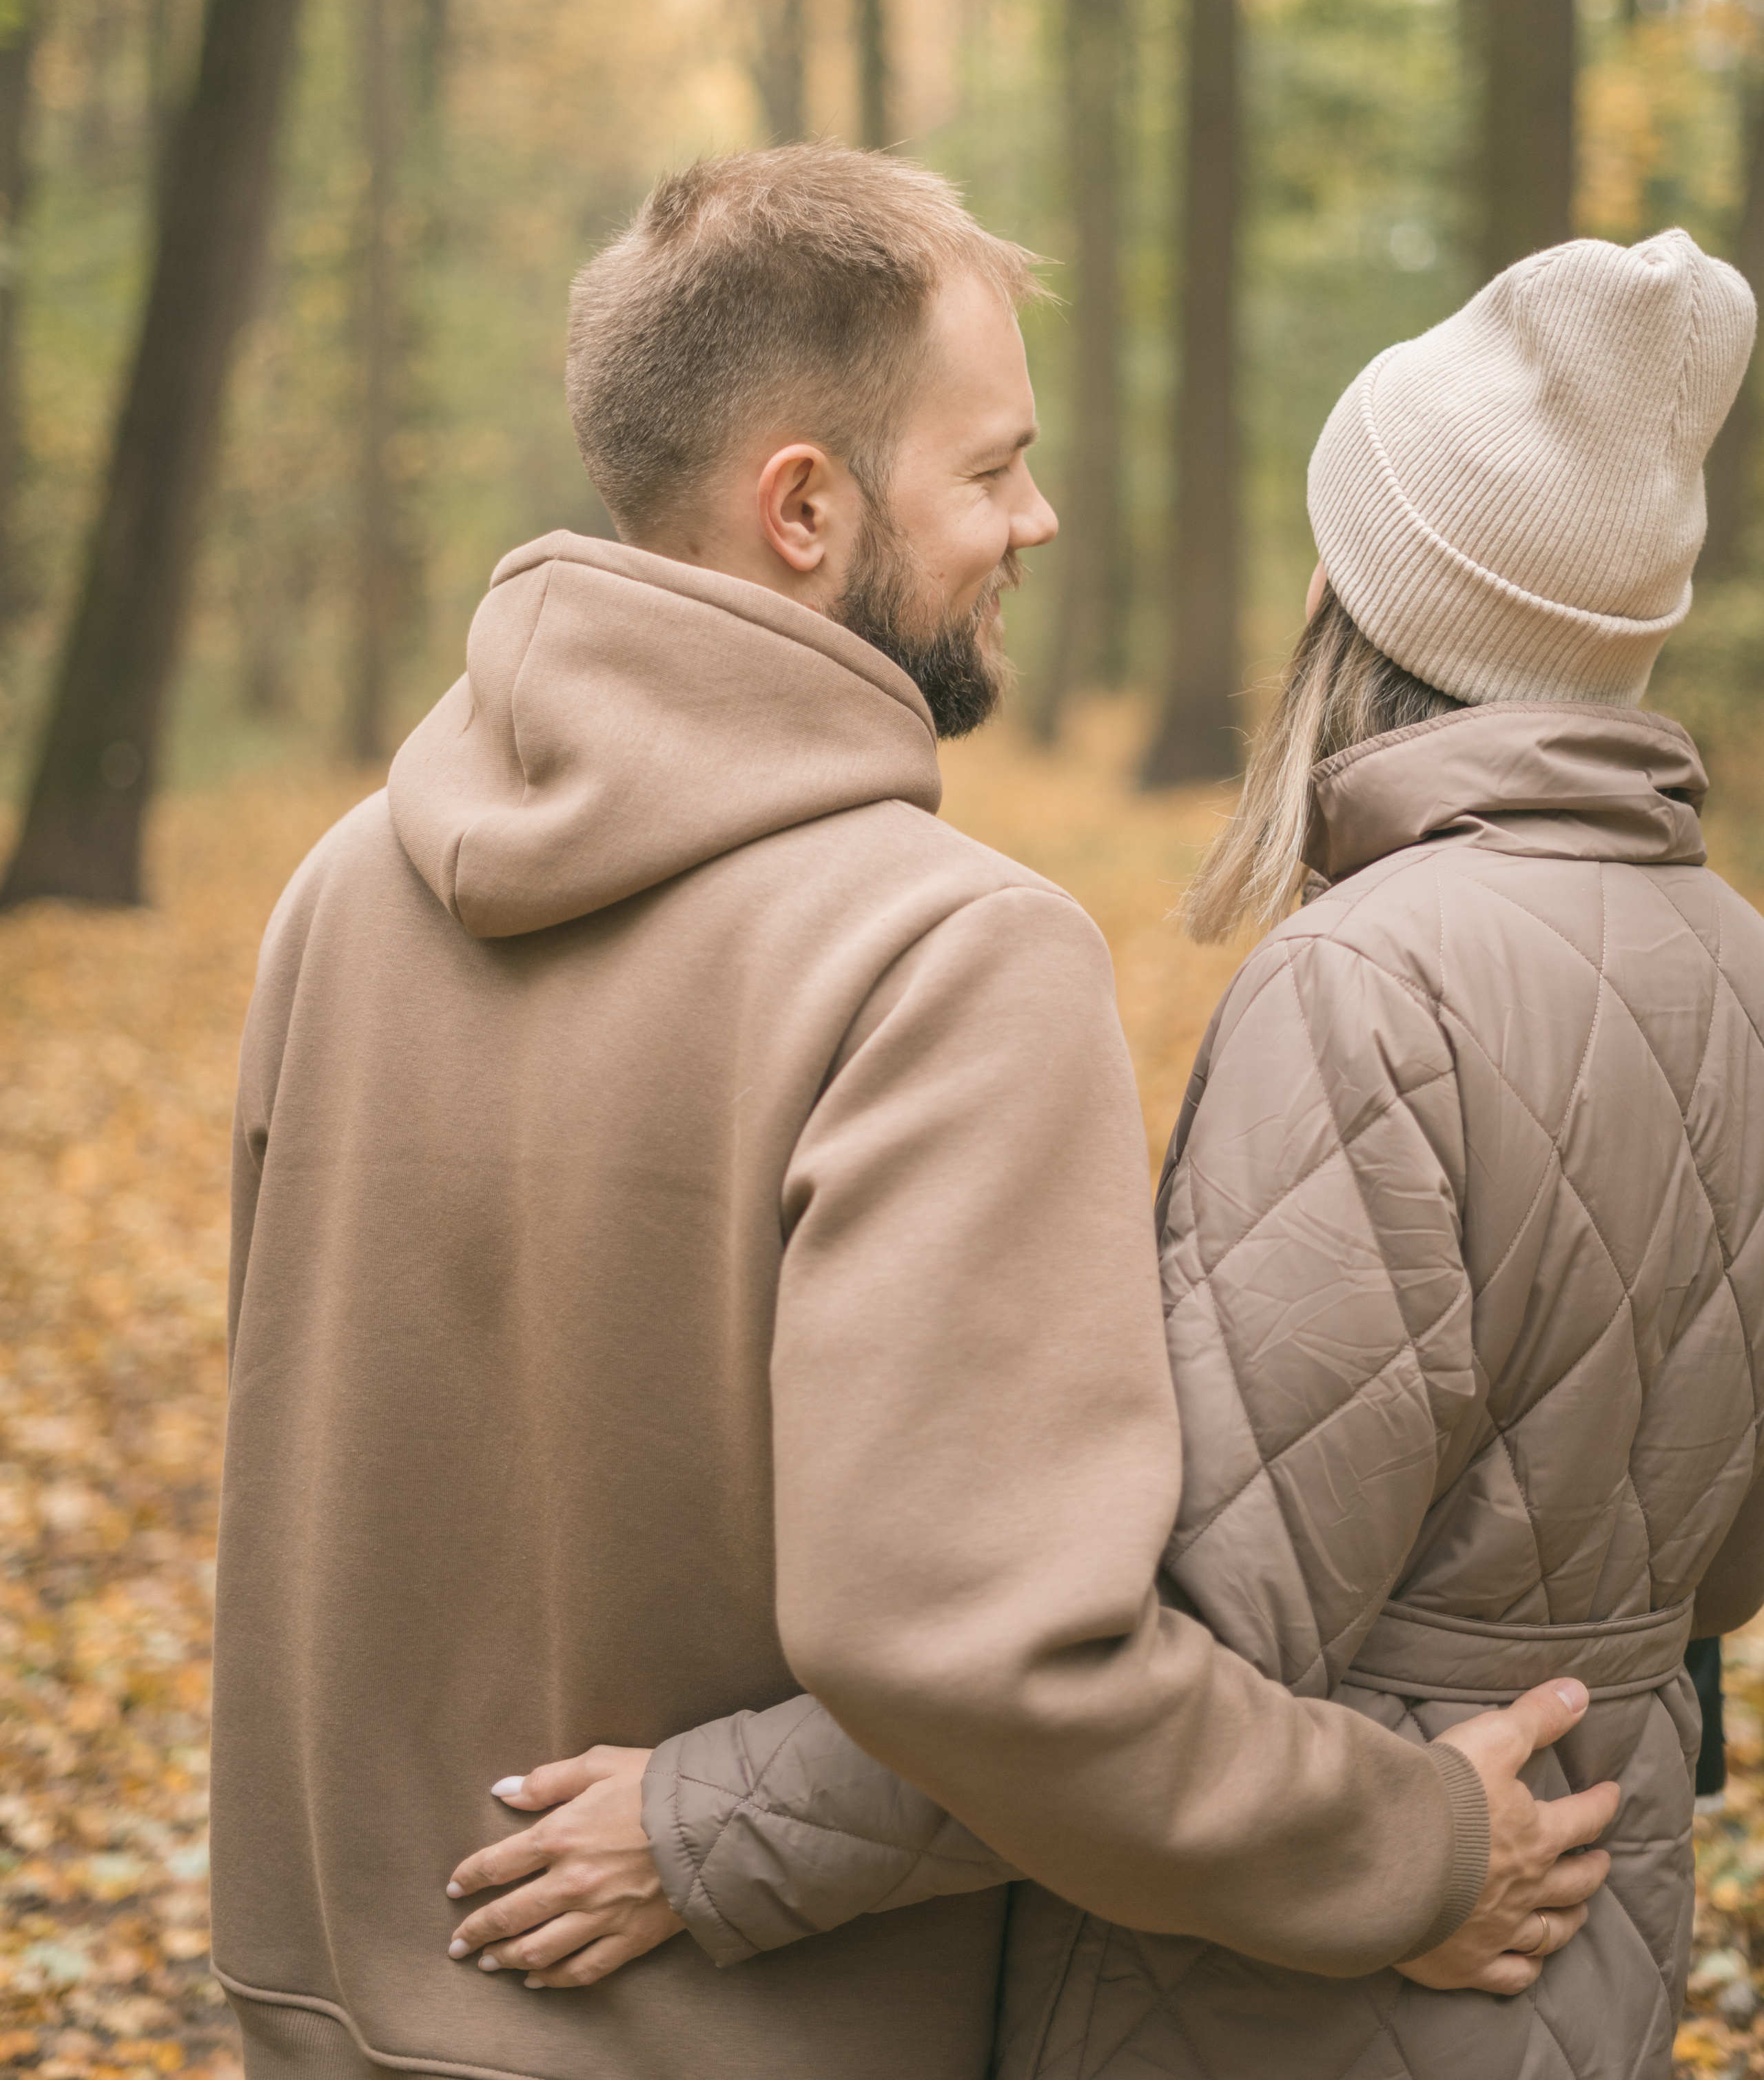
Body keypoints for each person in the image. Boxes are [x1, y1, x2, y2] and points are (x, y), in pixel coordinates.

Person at [212, 146, 1608, 2080]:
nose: (1034, 519)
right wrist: (1414, 1847)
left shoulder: (343, 889)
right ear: (803, 507)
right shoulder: (946, 956)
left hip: (334, 2023)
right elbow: (1002, 1666)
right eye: (988, 467)